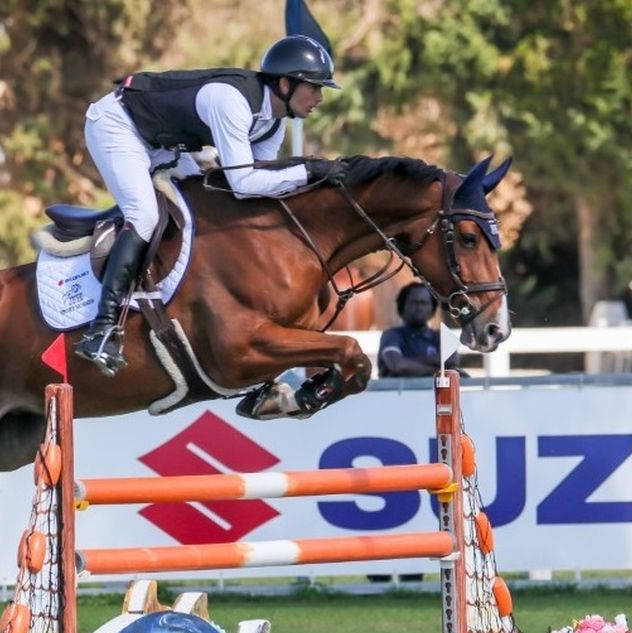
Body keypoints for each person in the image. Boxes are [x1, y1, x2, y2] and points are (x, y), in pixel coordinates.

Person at [74, 34, 342, 376]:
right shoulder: (231, 100)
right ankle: (103, 328)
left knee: (206, 207)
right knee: (143, 215)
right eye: (314, 87)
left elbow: (258, 189)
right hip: (119, 125)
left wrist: (309, 177)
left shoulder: (274, 122)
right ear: (286, 83)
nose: (319, 97)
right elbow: (243, 183)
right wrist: (308, 171)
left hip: (167, 144)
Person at [378, 282, 459, 377]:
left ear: (432, 309)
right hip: (399, 391)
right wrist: (439, 371)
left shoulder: (440, 336)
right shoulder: (392, 335)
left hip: (434, 391)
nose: (419, 308)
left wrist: (405, 361)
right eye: (414, 303)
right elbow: (397, 365)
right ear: (402, 307)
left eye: (424, 303)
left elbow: (452, 360)